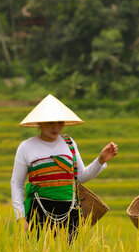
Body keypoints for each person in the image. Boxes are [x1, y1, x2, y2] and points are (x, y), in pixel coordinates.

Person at [10, 94, 118, 240]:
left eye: (60, 122)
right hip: (39, 212)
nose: (56, 127)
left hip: (70, 214)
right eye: (50, 122)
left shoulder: (69, 143)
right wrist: (21, 217)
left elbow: (80, 177)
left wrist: (100, 160)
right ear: (39, 123)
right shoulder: (26, 147)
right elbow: (17, 183)